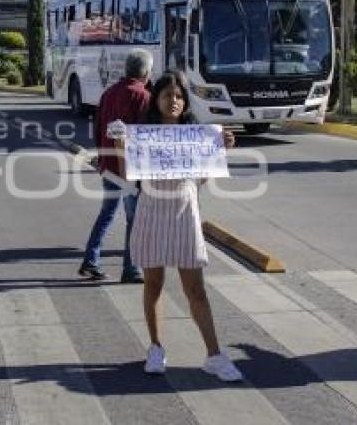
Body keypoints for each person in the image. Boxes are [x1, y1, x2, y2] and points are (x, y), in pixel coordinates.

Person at [121, 70, 242, 382]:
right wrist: (121, 145)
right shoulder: (143, 134)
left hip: (185, 214)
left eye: (178, 96)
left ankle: (214, 355)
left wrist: (222, 148)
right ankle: (156, 348)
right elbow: (127, 178)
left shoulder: (196, 134)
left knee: (195, 290)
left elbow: (200, 179)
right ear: (156, 99)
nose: (173, 101)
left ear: (185, 101)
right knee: (153, 284)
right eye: (166, 95)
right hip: (151, 212)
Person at [78, 49, 153, 283]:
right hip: (131, 168)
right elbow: (145, 135)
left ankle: (91, 259)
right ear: (147, 72)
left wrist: (101, 157)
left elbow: (99, 128)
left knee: (107, 213)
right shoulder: (143, 96)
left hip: (109, 165)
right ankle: (131, 268)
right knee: (134, 218)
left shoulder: (109, 93)